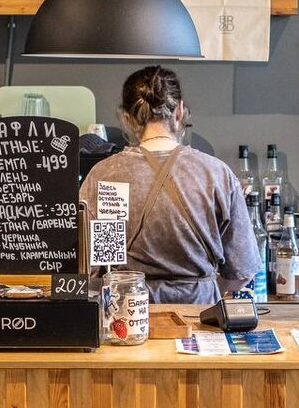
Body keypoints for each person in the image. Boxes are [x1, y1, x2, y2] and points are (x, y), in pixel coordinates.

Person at [80, 66, 262, 304]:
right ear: (179, 111)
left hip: (128, 314)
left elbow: (97, 269)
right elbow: (242, 272)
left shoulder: (106, 175)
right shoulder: (216, 174)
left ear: (127, 117)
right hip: (198, 314)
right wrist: (202, 288)